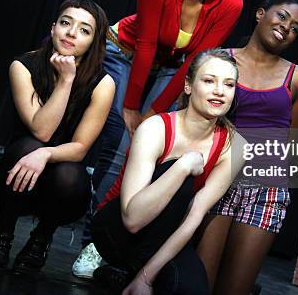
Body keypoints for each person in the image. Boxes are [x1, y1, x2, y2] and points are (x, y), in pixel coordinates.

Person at [73, 0, 248, 277]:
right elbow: (148, 44)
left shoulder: (230, 4)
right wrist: (135, 108)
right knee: (121, 144)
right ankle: (95, 241)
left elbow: (196, 62)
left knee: (150, 141)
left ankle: (127, 241)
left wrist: (158, 111)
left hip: (174, 66)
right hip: (127, 52)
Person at [90, 49, 245, 294]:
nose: (219, 91)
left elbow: (194, 216)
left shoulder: (235, 146)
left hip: (166, 235)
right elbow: (132, 219)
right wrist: (184, 165)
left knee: (191, 289)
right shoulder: (155, 128)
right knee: (180, 174)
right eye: (209, 81)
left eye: (229, 84)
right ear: (188, 86)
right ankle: (120, 269)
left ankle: (129, 276)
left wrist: (146, 278)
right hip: (117, 230)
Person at [0, 0, 115, 276]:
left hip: (62, 179)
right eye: (66, 23)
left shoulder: (103, 83)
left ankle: (41, 239)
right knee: (29, 146)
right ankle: (2, 233)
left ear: (93, 42)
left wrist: (46, 154)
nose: (71, 33)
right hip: (17, 173)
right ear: (53, 27)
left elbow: (79, 148)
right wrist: (65, 81)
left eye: (84, 30)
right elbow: (42, 131)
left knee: (70, 175)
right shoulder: (23, 65)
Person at [196, 0, 298, 294]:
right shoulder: (220, 60)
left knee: (233, 289)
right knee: (199, 283)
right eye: (283, 17)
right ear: (261, 14)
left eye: (296, 28)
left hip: (265, 188)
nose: (287, 28)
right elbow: (195, 121)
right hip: (217, 179)